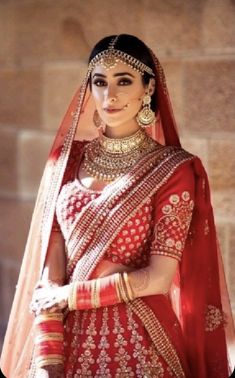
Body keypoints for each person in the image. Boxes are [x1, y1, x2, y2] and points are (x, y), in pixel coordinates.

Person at [1, 34, 234, 378]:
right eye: (100, 82)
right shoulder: (64, 162)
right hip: (67, 342)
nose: (110, 95)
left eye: (124, 81)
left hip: (142, 343)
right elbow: (50, 277)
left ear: (148, 88)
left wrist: (71, 297)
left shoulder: (174, 170)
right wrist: (49, 358)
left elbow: (158, 278)